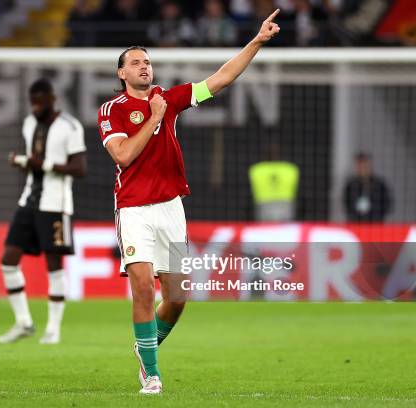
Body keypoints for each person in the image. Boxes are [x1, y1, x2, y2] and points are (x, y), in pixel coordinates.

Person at [97, 10, 281, 394]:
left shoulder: (170, 97)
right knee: (144, 286)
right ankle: (151, 373)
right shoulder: (111, 111)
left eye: (147, 61)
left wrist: (257, 41)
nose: (145, 67)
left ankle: (144, 346)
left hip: (170, 209)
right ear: (121, 74)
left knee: (178, 298)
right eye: (136, 63)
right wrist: (154, 118)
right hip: (133, 209)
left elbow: (222, 78)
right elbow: (123, 156)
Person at [0, 79, 86, 345]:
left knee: (54, 266)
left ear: (52, 98)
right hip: (29, 201)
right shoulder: (28, 123)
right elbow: (34, 162)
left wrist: (43, 164)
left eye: (40, 101)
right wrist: (22, 162)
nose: (35, 106)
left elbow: (80, 169)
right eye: (32, 101)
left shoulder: (70, 127)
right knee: (8, 260)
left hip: (55, 205)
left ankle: (53, 329)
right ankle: (24, 322)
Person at [344, 152, 392, 222]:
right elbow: (347, 204)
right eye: (359, 164)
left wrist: (372, 208)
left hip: (375, 224)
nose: (362, 167)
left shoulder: (379, 184)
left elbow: (387, 205)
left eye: (364, 164)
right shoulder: (351, 185)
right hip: (356, 223)